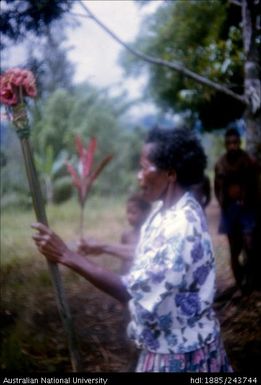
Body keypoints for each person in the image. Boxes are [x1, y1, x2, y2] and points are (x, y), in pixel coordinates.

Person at [32, 127, 232, 372]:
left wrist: (67, 255)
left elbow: (131, 291)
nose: (138, 176)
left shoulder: (181, 226)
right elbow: (155, 259)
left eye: (144, 167)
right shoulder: (170, 209)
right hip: (177, 343)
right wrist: (103, 247)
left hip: (179, 355)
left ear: (170, 173)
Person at [214, 128, 259, 293]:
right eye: (230, 143)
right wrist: (224, 205)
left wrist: (251, 202)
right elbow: (217, 188)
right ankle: (240, 285)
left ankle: (252, 281)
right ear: (226, 144)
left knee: (250, 244)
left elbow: (255, 183)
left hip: (248, 208)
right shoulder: (220, 164)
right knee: (234, 250)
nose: (233, 146)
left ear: (239, 143)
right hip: (230, 209)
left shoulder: (248, 161)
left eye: (235, 142)